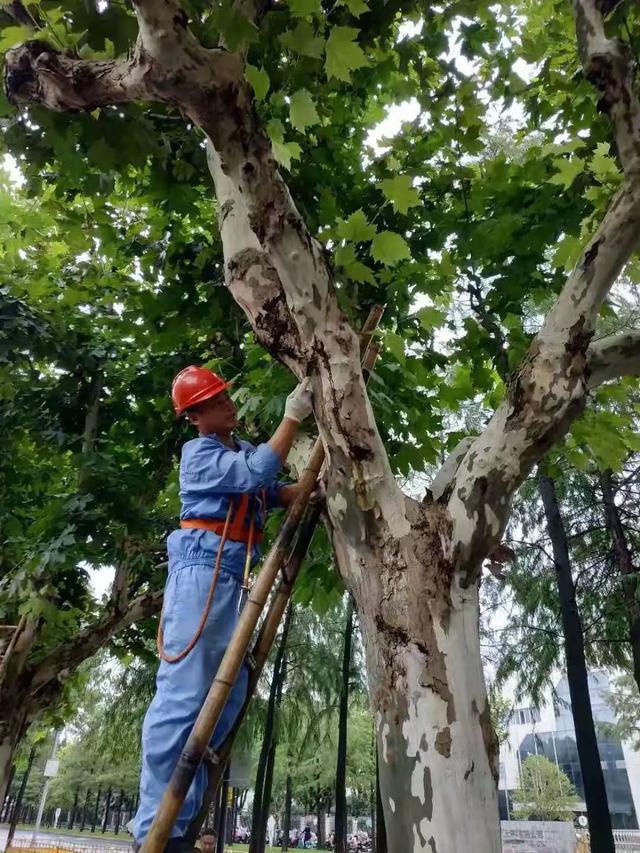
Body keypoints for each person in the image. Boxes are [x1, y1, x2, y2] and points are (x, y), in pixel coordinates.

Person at [130, 366, 313, 852]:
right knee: (185, 697)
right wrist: (293, 416)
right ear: (195, 416)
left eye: (224, 396)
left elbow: (272, 490)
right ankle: (155, 828)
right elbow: (256, 476)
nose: (228, 404)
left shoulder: (243, 450)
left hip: (233, 577)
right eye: (215, 402)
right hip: (201, 572)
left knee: (229, 695)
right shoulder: (199, 454)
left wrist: (317, 481)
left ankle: (182, 818)